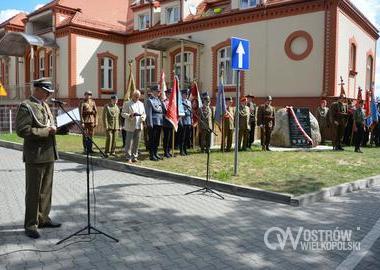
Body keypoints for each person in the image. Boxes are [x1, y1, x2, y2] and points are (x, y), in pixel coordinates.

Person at [15, 78, 61, 239]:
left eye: (50, 92)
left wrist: (58, 129)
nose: (49, 95)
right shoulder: (26, 106)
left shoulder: (45, 105)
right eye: (47, 92)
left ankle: (43, 218)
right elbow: (23, 130)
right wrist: (46, 132)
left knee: (46, 191)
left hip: (48, 153)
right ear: (38, 89)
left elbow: (49, 124)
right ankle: (30, 224)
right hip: (35, 156)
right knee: (34, 192)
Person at [122, 90, 146, 163]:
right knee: (129, 142)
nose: (137, 98)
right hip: (130, 125)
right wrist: (130, 115)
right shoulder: (127, 103)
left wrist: (143, 118)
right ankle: (128, 157)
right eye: (136, 97)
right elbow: (123, 114)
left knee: (136, 142)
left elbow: (144, 113)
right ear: (132, 96)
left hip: (138, 125)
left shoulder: (141, 104)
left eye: (138, 97)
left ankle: (134, 156)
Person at [145, 86, 163, 161]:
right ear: (153, 91)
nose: (159, 93)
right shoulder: (150, 100)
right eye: (157, 91)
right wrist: (150, 124)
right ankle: (151, 155)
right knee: (152, 140)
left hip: (159, 122)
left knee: (157, 139)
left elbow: (161, 111)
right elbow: (148, 113)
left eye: (159, 92)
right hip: (153, 123)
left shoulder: (158, 100)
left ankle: (156, 153)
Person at [178, 89, 192, 156]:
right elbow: (181, 111)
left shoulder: (189, 102)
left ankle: (185, 149)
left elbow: (191, 111)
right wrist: (186, 111)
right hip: (183, 120)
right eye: (185, 94)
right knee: (182, 137)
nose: (186, 95)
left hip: (188, 120)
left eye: (187, 94)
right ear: (182, 94)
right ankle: (181, 150)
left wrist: (191, 119)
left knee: (187, 137)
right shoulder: (180, 102)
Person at [162, 89, 173, 158]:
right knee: (166, 137)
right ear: (166, 94)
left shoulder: (173, 102)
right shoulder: (164, 102)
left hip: (171, 122)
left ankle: (169, 150)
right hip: (166, 122)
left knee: (171, 137)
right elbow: (162, 112)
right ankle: (165, 151)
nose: (169, 95)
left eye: (170, 94)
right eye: (168, 93)